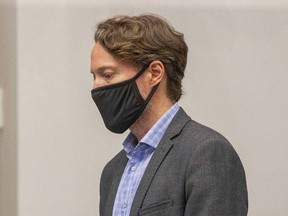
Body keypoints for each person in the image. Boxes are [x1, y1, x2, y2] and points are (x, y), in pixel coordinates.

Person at [90, 14, 248, 216]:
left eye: (108, 74)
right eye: (94, 77)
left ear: (155, 73)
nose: (96, 87)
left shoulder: (206, 152)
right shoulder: (112, 172)